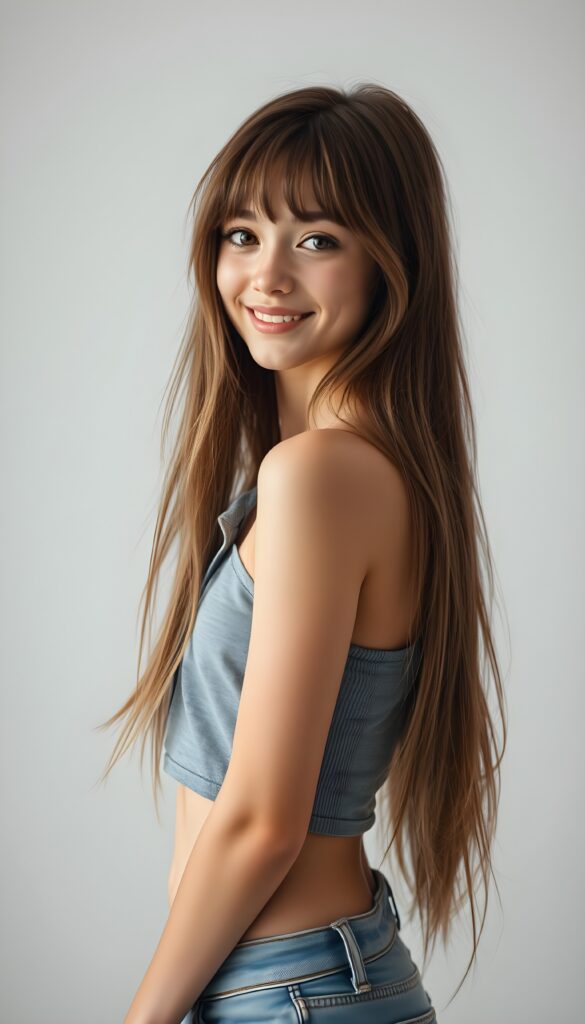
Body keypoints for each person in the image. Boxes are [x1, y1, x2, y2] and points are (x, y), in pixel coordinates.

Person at [97, 83, 507, 1024]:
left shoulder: (323, 474)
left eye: (316, 240)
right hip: (298, 984)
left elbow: (262, 822)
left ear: (387, 265)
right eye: (242, 234)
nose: (266, 275)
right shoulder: (357, 468)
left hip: (291, 994)